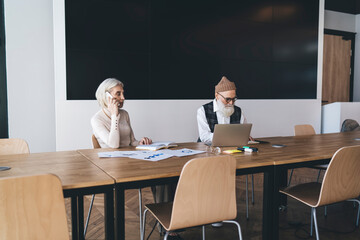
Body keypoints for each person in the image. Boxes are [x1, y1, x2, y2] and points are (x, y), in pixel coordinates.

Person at [91, 78, 152, 148]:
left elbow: (132, 142)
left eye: (123, 93)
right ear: (107, 96)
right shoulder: (96, 119)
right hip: (110, 158)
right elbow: (114, 145)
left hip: (128, 156)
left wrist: (141, 142)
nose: (123, 98)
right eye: (118, 94)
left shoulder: (124, 114)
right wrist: (114, 116)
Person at [197, 76, 248, 143]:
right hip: (208, 150)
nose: (231, 103)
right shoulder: (203, 110)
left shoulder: (239, 111)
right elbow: (204, 137)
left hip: (232, 150)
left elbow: (243, 133)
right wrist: (229, 137)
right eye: (227, 99)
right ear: (217, 96)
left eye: (233, 99)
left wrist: (246, 136)